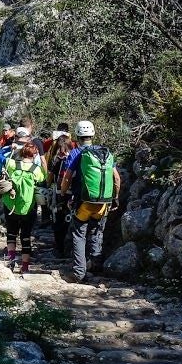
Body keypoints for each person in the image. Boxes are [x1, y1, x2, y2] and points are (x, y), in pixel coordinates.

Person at [58, 120, 120, 281]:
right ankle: (96, 266)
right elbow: (117, 179)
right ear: (93, 134)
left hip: (83, 202)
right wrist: (115, 197)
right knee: (96, 231)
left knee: (79, 234)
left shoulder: (76, 153)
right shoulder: (106, 153)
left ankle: (79, 272)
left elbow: (67, 178)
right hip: (103, 202)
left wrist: (63, 195)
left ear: (77, 135)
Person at [0, 141, 47, 273]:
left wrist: (10, 147)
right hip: (28, 207)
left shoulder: (13, 164)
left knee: (11, 233)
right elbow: (44, 179)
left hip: (11, 205)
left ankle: (11, 260)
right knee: (26, 236)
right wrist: (43, 161)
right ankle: (24, 267)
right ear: (34, 154)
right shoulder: (36, 170)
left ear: (22, 152)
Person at [46, 127, 75, 259]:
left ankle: (59, 249)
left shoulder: (59, 160)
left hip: (59, 194)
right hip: (74, 195)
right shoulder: (77, 158)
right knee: (71, 222)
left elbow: (50, 177)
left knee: (58, 222)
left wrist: (47, 185)